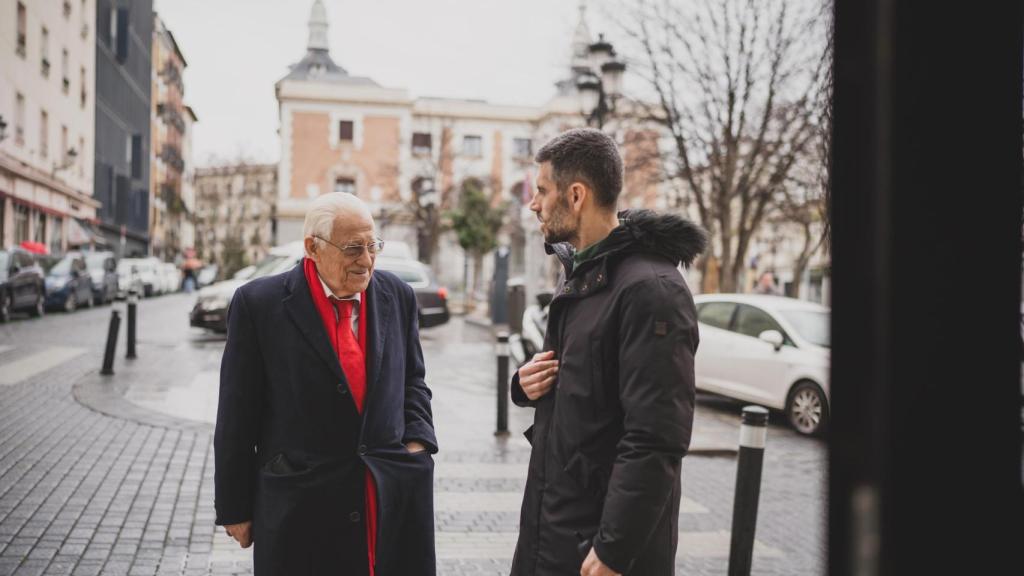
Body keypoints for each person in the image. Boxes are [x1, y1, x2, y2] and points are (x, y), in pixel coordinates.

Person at [511, 128, 707, 576]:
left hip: (601, 549)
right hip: (555, 526)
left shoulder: (650, 290)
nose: (534, 203)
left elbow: (655, 438)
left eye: (542, 190)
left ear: (576, 195)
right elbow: (580, 390)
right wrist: (524, 385)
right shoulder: (581, 273)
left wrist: (615, 550)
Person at [214, 192, 438, 576]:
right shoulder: (259, 304)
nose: (366, 261)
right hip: (301, 504)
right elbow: (237, 413)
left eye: (372, 246)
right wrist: (235, 507)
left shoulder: (397, 296)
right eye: (353, 248)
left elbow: (413, 382)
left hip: (387, 495)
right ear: (312, 248)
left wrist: (417, 445)